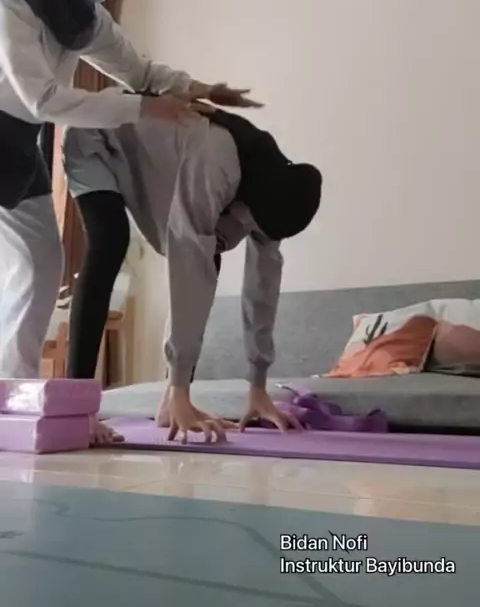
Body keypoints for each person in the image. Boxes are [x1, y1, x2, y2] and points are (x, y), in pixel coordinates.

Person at [0, 0, 258, 385]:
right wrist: (143, 109)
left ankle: (14, 391)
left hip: (18, 145)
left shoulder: (83, 14)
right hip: (13, 125)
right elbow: (42, 98)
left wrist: (197, 88)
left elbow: (138, 71)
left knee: (41, 263)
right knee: (35, 263)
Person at [63, 105, 322, 443]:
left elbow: (262, 292)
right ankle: (75, 411)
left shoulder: (278, 197)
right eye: (247, 221)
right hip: (97, 136)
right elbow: (187, 265)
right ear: (252, 199)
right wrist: (181, 390)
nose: (244, 228)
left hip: (150, 159)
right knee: (110, 241)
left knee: (208, 255)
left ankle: (169, 405)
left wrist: (258, 389)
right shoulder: (218, 162)